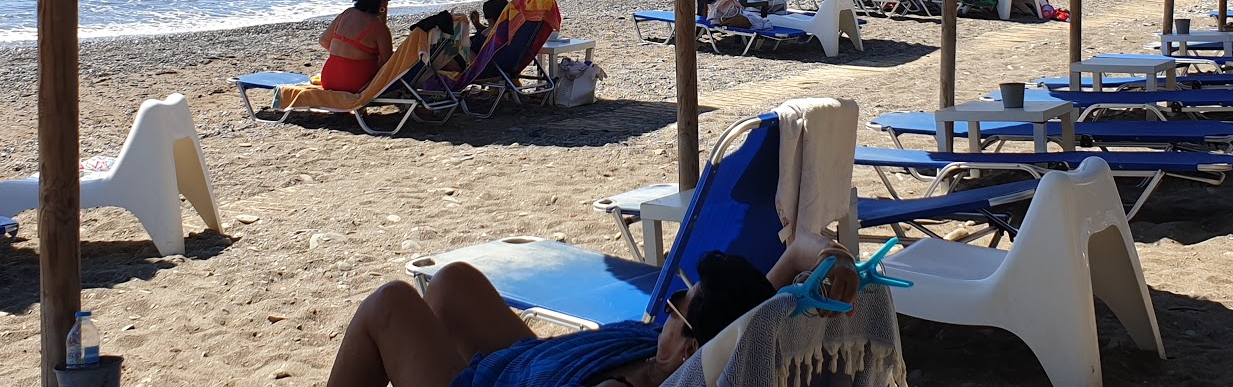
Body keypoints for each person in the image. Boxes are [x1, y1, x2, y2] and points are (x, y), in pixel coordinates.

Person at [325, 233, 859, 387]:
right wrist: (833, 257)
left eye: (678, 307)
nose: (667, 307)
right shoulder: (721, 346)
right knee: (453, 282)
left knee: (389, 305)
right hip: (539, 365)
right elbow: (792, 255)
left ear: (689, 349)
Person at [318, 0, 394, 93]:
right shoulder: (379, 28)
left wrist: (345, 55)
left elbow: (323, 41)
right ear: (382, 1)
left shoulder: (346, 13)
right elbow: (387, 62)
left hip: (329, 79)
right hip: (357, 84)